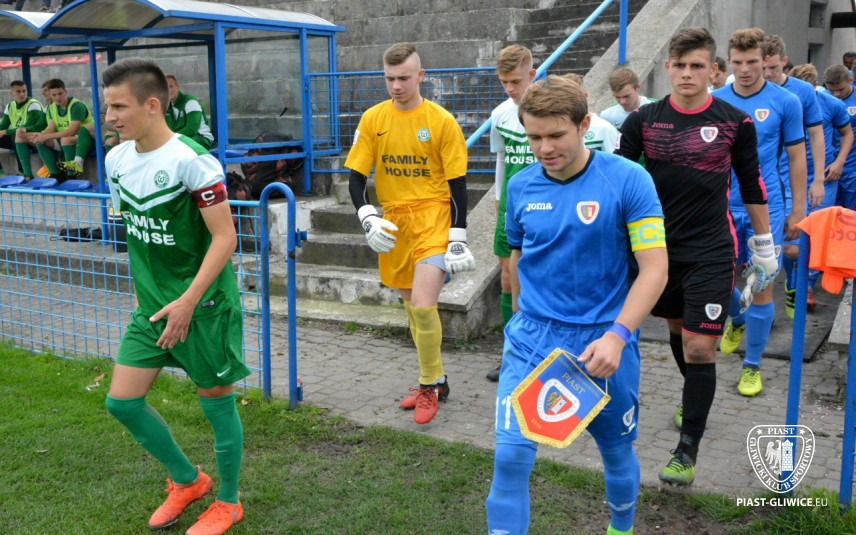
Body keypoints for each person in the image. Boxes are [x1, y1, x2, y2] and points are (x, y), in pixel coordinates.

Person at [485, 74, 667, 535]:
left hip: (603, 343)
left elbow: (655, 269)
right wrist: (520, 318)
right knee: (509, 457)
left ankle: (621, 528)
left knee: (616, 450)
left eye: (555, 135)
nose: (544, 148)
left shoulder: (629, 179)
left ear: (584, 125)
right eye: (534, 137)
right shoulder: (521, 186)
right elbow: (519, 257)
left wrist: (618, 336)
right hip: (533, 342)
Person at [616, 27, 772, 487]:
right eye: (680, 65)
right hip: (657, 251)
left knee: (700, 346)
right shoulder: (643, 120)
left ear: (713, 70)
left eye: (697, 66)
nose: (688, 73)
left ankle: (686, 450)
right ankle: (693, 393)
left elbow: (751, 183)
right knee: (676, 331)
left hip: (711, 248)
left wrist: (764, 245)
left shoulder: (736, 122)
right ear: (667, 68)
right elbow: (618, 178)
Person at [102, 57, 247, 534]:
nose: (110, 117)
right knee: (122, 403)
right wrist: (149, 296)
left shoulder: (193, 160)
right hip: (151, 309)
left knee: (217, 404)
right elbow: (137, 235)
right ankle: (188, 480)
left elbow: (225, 238)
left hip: (202, 308)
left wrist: (187, 301)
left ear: (152, 105)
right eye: (107, 107)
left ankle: (228, 501)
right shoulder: (116, 160)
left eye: (119, 107)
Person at [344, 42, 473, 425]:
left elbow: (458, 183)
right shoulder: (373, 119)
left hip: (433, 218)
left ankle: (428, 384)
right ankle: (438, 379)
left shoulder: (441, 121)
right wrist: (368, 217)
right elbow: (355, 178)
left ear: (421, 75)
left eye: (403, 78)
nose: (396, 86)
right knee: (410, 309)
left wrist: (458, 234)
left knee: (422, 304)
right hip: (394, 222)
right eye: (390, 78)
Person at [713, 28, 807, 397]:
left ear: (766, 61)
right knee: (718, 281)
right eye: (738, 62)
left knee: (763, 285)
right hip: (720, 206)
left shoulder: (786, 101)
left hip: (766, 208)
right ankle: (737, 317)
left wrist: (798, 209)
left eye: (753, 62)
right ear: (728, 62)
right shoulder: (714, 100)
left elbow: (797, 158)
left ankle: (752, 365)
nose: (745, 69)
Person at [761, 35, 825, 320]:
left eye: (773, 68)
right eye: (763, 68)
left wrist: (818, 179)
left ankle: (790, 284)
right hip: (759, 180)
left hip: (791, 178)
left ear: (784, 62)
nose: (767, 74)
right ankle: (749, 313)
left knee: (790, 247)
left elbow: (816, 134)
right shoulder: (745, 89)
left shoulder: (802, 92)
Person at [485, 44, 537, 383]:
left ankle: (539, 349)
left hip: (546, 204)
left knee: (539, 278)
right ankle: (512, 350)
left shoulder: (548, 109)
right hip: (511, 206)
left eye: (516, 81)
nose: (509, 88)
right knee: (508, 278)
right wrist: (498, 196)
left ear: (532, 75)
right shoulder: (500, 114)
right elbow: (502, 158)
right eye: (504, 82)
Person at [792, 63, 854, 296]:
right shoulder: (786, 101)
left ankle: (807, 285)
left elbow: (847, 134)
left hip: (824, 177)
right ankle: (795, 283)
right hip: (792, 176)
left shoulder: (831, 104)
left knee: (819, 229)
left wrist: (839, 162)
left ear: (815, 87)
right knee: (794, 233)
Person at [29, 78, 94, 179]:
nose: (58, 97)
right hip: (67, 140)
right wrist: (41, 135)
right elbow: (51, 128)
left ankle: (71, 176)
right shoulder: (52, 108)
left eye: (60, 94)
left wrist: (45, 136)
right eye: (54, 95)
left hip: (86, 141)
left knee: (65, 139)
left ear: (66, 91)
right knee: (40, 141)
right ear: (50, 95)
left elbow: (71, 131)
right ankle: (54, 175)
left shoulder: (76, 106)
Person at [824, 64, 856, 211]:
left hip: (852, 168)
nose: (836, 94)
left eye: (840, 90)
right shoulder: (822, 100)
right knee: (831, 214)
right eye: (832, 90)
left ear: (851, 80)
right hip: (828, 169)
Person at [0, 80, 46, 179]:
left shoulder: (33, 104)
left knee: (17, 135)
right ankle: (0, 172)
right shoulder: (10, 106)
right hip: (18, 138)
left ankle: (22, 172)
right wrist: (3, 131)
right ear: (12, 93)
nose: (22, 94)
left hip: (34, 138)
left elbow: (29, 127)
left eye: (24, 91)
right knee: (15, 135)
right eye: (18, 91)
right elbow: (2, 126)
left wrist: (5, 132)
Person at [564, 73, 619, 153]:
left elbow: (615, 159)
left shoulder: (605, 129)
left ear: (585, 96)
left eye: (574, 98)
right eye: (566, 98)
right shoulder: (556, 129)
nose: (570, 103)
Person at [166, 74, 215, 150]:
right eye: (165, 87)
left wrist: (170, 138)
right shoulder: (166, 107)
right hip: (181, 139)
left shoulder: (190, 102)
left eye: (171, 86)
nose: (168, 90)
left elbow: (191, 130)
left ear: (177, 86)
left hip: (202, 138)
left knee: (173, 148)